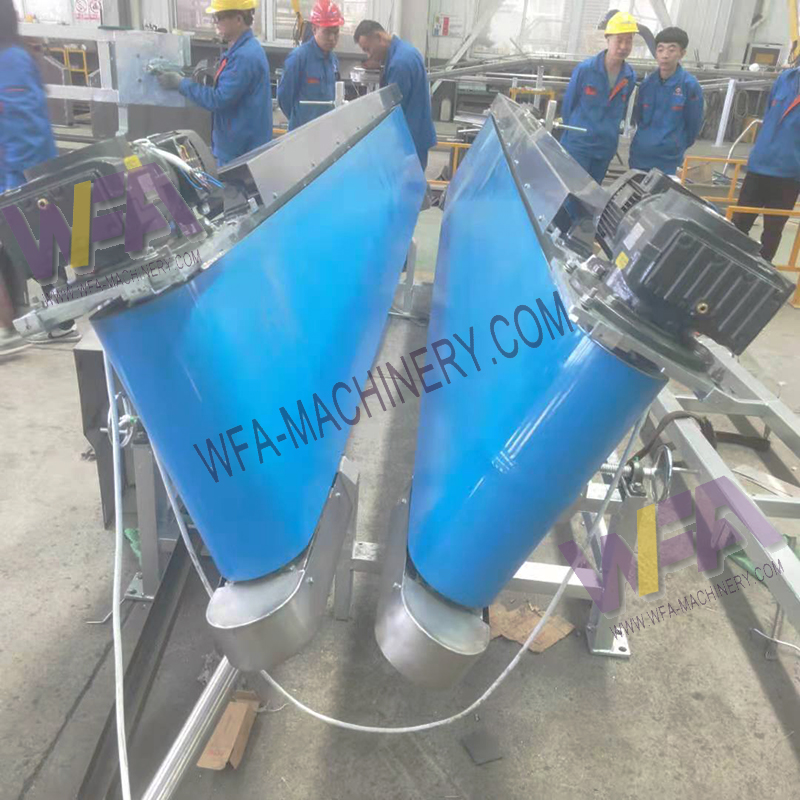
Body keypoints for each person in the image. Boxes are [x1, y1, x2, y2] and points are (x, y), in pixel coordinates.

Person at [0, 0, 58, 357]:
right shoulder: (15, 56)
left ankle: (9, 328)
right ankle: (52, 318)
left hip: (22, 171)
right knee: (40, 244)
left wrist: (14, 186)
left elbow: (23, 127)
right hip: (20, 168)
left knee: (37, 242)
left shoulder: (11, 60)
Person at [158, 0, 272, 167]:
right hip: (242, 145)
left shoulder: (244, 56)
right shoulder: (244, 49)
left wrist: (181, 84)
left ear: (238, 19)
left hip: (239, 152)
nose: (215, 23)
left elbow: (218, 99)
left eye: (219, 17)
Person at [560, 11, 638, 184]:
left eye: (629, 41)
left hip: (604, 148)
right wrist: (576, 133)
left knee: (593, 193)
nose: (623, 46)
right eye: (619, 40)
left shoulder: (629, 76)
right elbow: (568, 106)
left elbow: (622, 108)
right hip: (578, 145)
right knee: (571, 191)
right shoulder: (586, 69)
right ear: (608, 39)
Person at [732, 64, 800, 263]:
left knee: (772, 231)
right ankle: (730, 266)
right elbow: (770, 112)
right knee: (738, 224)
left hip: (789, 174)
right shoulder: (786, 78)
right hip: (759, 165)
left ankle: (761, 272)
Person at [353, 20, 437, 171]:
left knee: (406, 183)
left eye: (368, 49)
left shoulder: (399, 64)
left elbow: (393, 110)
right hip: (416, 136)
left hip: (408, 142)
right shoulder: (406, 51)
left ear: (379, 37)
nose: (369, 55)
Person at [629, 27, 703, 175]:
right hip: (640, 156)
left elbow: (693, 125)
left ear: (682, 53)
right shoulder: (647, 84)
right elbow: (639, 118)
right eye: (660, 49)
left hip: (668, 160)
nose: (665, 55)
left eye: (671, 50)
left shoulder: (689, 86)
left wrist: (676, 144)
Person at [277, 0, 343, 131]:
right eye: (327, 32)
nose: (332, 38)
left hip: (326, 130)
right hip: (302, 132)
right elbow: (284, 98)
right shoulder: (298, 58)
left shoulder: (333, 60)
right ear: (314, 29)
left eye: (335, 32)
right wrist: (298, 119)